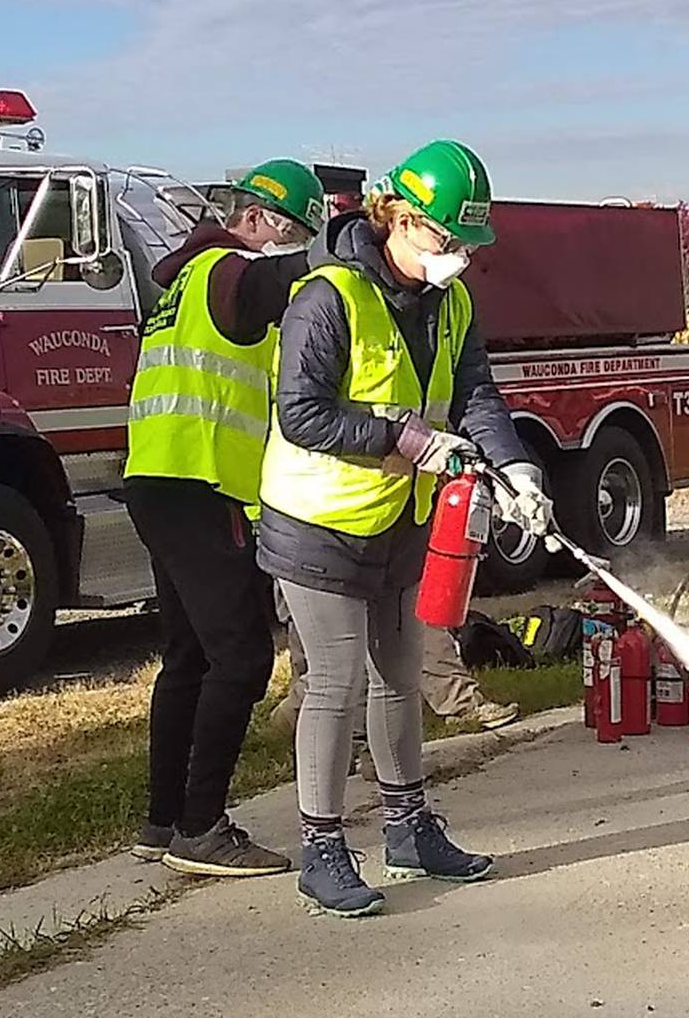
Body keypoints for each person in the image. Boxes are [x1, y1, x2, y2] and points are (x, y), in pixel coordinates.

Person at [256, 140, 552, 917]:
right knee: (338, 679)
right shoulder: (329, 297)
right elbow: (303, 412)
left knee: (402, 673)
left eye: (467, 246)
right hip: (316, 521)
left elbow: (478, 394)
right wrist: (409, 440)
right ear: (400, 218)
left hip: (398, 520)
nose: (458, 258)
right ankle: (321, 849)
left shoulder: (449, 304)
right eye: (445, 240)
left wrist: (516, 469)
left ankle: (409, 827)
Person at [123, 159, 325, 877]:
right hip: (203, 485)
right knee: (241, 659)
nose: (293, 242)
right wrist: (354, 242)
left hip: (160, 478)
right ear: (261, 221)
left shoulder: (182, 280)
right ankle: (201, 826)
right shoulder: (226, 271)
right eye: (293, 229)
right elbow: (279, 280)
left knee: (189, 657)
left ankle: (161, 819)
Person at [268, 584, 520, 759]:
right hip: (310, 538)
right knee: (337, 658)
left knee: (390, 628)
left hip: (329, 533)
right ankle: (311, 725)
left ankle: (357, 743)